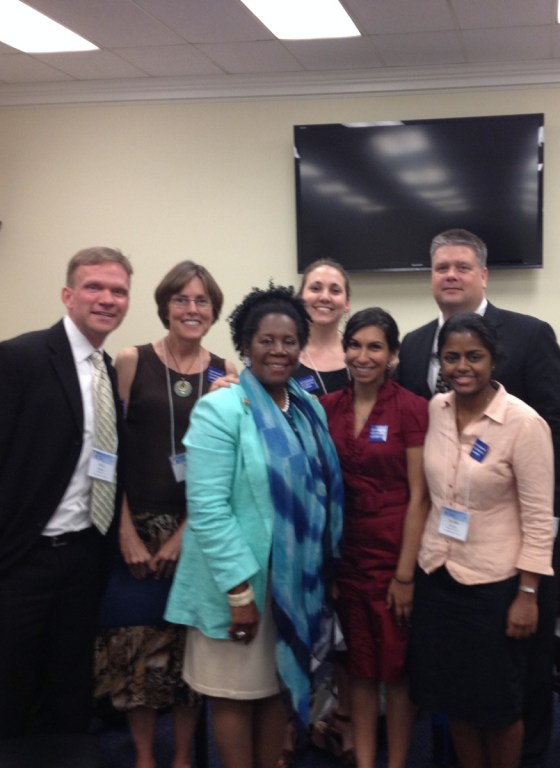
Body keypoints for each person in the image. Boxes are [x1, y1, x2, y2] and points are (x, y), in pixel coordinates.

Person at [395, 228, 560, 761]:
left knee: (511, 686)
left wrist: (538, 562)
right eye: (440, 268)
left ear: (483, 275)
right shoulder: (412, 346)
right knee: (452, 686)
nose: (450, 276)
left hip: (508, 554)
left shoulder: (529, 334)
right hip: (442, 557)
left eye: (461, 266)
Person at [0, 246, 133, 740]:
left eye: (118, 291)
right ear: (68, 295)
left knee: (68, 686)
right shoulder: (17, 358)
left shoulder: (104, 369)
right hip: (16, 560)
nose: (107, 299)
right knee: (3, 690)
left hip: (81, 556)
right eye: (94, 286)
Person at [164, 284, 344, 768]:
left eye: (289, 341)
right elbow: (207, 509)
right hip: (239, 584)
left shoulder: (308, 411)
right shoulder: (219, 409)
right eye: (266, 340)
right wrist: (240, 594)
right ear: (245, 344)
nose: (279, 351)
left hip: (292, 582)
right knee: (234, 696)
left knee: (273, 691)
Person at [94, 261, 237, 768]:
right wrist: (124, 531)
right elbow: (107, 453)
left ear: (214, 311)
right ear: (165, 306)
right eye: (181, 299)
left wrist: (188, 533)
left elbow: (228, 466)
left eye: (201, 301)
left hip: (197, 526)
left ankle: (180, 757)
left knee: (186, 650)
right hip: (135, 522)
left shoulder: (227, 372)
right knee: (135, 644)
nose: (191, 309)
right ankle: (142, 757)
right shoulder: (131, 360)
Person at [409, 312, 555, 768]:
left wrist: (528, 593)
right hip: (438, 572)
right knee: (454, 698)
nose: (462, 367)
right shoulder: (436, 410)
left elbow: (538, 518)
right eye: (451, 358)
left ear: (494, 360)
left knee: (497, 706)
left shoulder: (523, 423)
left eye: (474, 356)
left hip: (495, 583)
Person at [319, 308, 430, 768]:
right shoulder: (326, 408)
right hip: (347, 555)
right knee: (359, 668)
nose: (363, 356)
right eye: (355, 345)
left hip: (394, 556)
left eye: (375, 347)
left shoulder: (412, 408)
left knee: (398, 672)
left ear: (393, 355)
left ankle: (396, 762)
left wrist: (405, 576)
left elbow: (421, 496)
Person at [294, 258, 351, 397]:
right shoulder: (285, 355)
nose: (325, 297)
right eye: (315, 288)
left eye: (335, 290)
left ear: (346, 303)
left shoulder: (360, 353)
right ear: (301, 297)